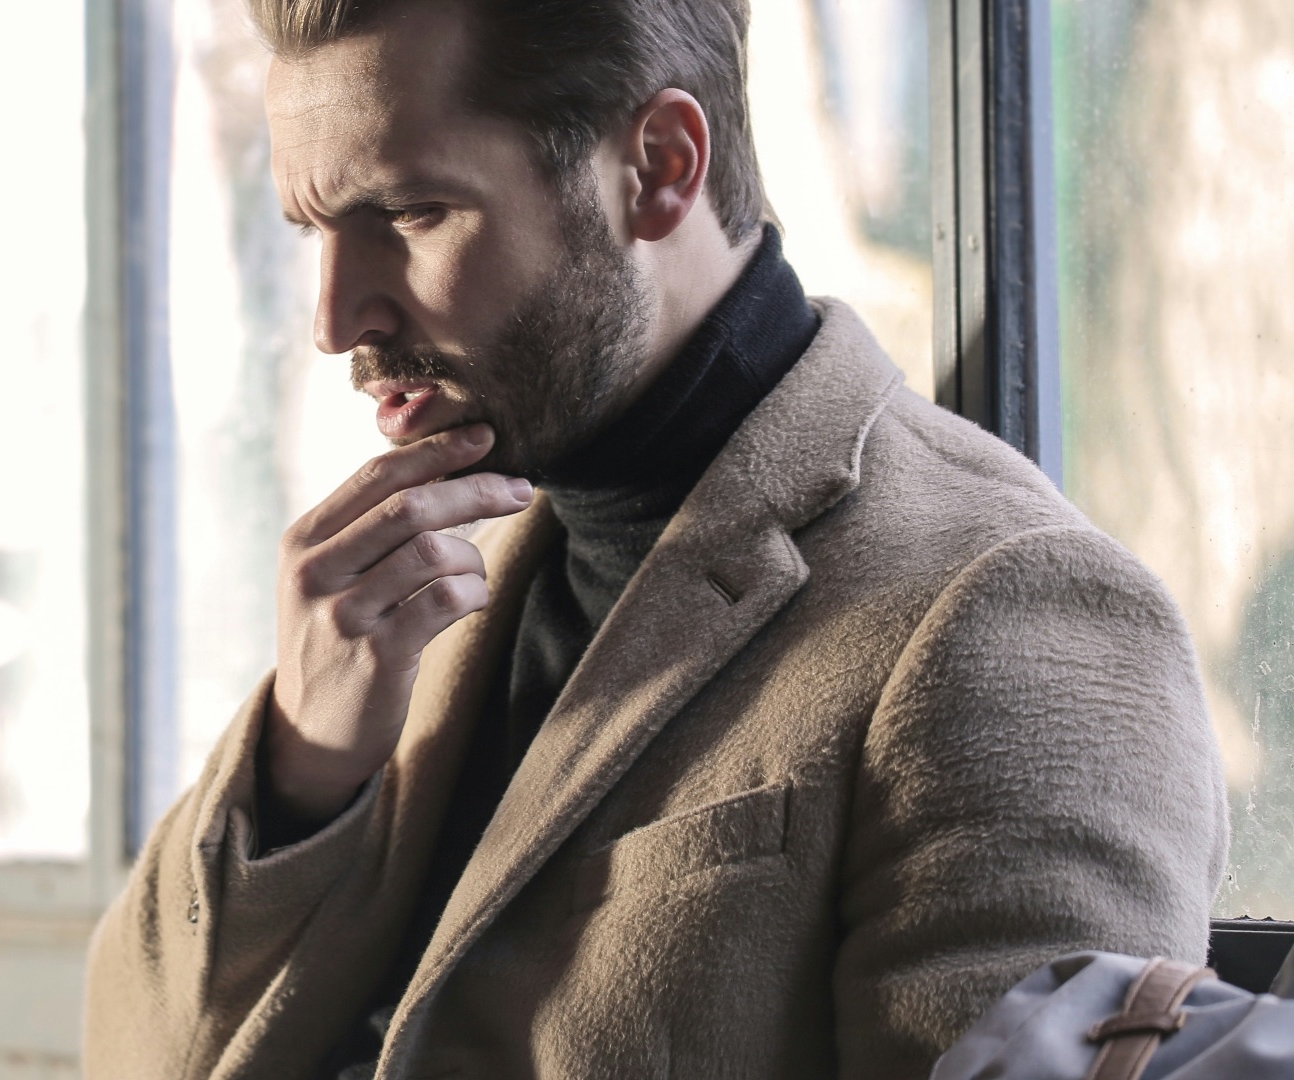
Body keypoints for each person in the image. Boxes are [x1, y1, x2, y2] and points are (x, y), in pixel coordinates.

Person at [81, 0, 1229, 1078]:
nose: (337, 319)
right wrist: (302, 768)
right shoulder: (422, 575)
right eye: (315, 230)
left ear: (661, 167)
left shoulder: (1012, 610)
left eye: (411, 213)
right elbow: (130, 1053)